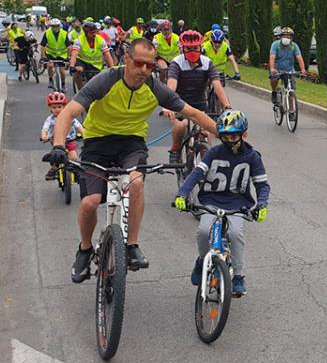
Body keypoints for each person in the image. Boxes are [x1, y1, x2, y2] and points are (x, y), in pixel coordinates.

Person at [43, 38, 220, 280]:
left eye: (150, 65)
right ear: (126, 59)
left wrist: (230, 137)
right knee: (89, 202)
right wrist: (59, 145)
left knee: (135, 183)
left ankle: (132, 246)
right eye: (139, 64)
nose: (145, 70)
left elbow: (194, 113)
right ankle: (84, 250)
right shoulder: (106, 80)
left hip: (131, 144)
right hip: (97, 142)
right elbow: (68, 113)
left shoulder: (154, 86)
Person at [173, 109, 269, 297]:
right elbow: (196, 174)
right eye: (225, 137)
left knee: (235, 234)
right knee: (203, 232)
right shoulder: (213, 153)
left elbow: (262, 185)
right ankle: (202, 261)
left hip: (238, 204)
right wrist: (182, 194)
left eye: (234, 136)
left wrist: (262, 204)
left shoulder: (252, 157)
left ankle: (238, 276)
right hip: (211, 201)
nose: (230, 141)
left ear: (244, 134)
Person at [165, 30, 229, 164]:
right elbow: (171, 85)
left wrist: (227, 107)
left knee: (206, 132)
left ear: (200, 47)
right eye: (188, 48)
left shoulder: (207, 63)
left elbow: (217, 85)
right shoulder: (177, 63)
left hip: (200, 103)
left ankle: (206, 156)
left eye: (195, 48)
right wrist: (168, 106)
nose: (192, 51)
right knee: (181, 126)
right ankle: (175, 149)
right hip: (180, 104)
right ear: (182, 48)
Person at [40, 91, 83, 180]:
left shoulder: (69, 116)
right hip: (57, 142)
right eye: (54, 107)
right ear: (50, 108)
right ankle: (53, 169)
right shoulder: (50, 119)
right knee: (55, 158)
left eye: (59, 107)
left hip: (70, 140)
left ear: (64, 106)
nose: (57, 109)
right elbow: (45, 128)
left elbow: (78, 126)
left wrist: (85, 134)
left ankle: (75, 171)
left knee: (74, 157)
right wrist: (44, 136)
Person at [68, 18, 116, 88]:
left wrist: (112, 68)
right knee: (79, 70)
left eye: (95, 32)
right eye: (91, 33)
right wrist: (72, 66)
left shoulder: (100, 40)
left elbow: (107, 55)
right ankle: (80, 89)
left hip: (96, 65)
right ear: (85, 33)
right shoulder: (79, 40)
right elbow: (74, 54)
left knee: (97, 84)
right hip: (82, 61)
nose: (94, 34)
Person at [267, 27, 309, 104]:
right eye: (284, 36)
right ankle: (274, 92)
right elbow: (272, 57)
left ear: (291, 38)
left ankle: (292, 111)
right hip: (277, 69)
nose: (286, 38)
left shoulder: (294, 46)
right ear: (280, 37)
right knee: (274, 79)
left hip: (289, 69)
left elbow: (299, 58)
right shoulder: (275, 45)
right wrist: (272, 68)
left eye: (288, 37)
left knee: (291, 89)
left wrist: (303, 69)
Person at [41, 18, 71, 89]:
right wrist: (43, 56)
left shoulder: (64, 33)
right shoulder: (47, 33)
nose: (55, 27)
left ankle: (63, 85)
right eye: (53, 26)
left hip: (61, 54)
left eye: (56, 26)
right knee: (50, 66)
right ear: (51, 26)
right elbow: (42, 45)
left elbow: (69, 46)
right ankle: (50, 80)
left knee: (62, 71)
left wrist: (68, 57)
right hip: (50, 53)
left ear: (59, 26)